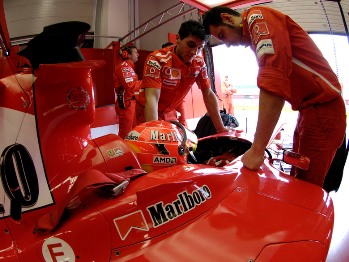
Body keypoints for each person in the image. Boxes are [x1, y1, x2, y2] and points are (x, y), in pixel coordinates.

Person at [203, 6, 346, 187]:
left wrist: (257, 150)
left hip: (324, 110)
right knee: (298, 178)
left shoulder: (257, 18)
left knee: (306, 187)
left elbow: (273, 80)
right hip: (308, 112)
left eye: (223, 36)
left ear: (228, 19)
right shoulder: (256, 38)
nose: (228, 44)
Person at [136, 20, 227, 133]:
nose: (194, 52)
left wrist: (220, 128)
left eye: (199, 48)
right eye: (191, 45)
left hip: (171, 112)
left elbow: (208, 93)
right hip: (147, 113)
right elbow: (152, 99)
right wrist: (154, 133)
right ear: (178, 38)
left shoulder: (199, 62)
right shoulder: (157, 59)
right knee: (153, 148)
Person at [114, 45, 141, 138]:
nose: (138, 54)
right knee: (125, 133)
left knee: (133, 131)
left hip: (130, 103)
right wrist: (145, 83)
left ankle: (132, 150)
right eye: (135, 52)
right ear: (128, 55)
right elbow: (130, 87)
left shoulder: (129, 67)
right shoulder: (124, 67)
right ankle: (123, 151)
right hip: (126, 104)